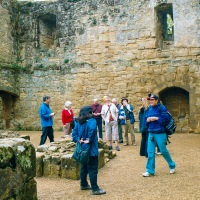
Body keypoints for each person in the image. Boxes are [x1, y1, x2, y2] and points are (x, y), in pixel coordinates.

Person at [72, 106, 106, 195]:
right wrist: (89, 139)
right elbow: (93, 129)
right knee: (92, 168)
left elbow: (74, 134)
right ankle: (95, 189)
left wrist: (79, 140)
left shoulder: (79, 122)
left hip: (82, 149)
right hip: (91, 149)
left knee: (84, 167)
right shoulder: (92, 121)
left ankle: (83, 184)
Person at [143, 94, 176, 177]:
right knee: (150, 152)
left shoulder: (162, 108)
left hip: (160, 133)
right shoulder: (149, 109)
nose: (151, 101)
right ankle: (150, 171)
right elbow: (145, 122)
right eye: (150, 100)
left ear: (156, 100)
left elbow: (166, 120)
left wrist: (156, 118)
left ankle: (172, 165)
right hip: (151, 133)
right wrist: (147, 120)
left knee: (163, 151)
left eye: (152, 100)